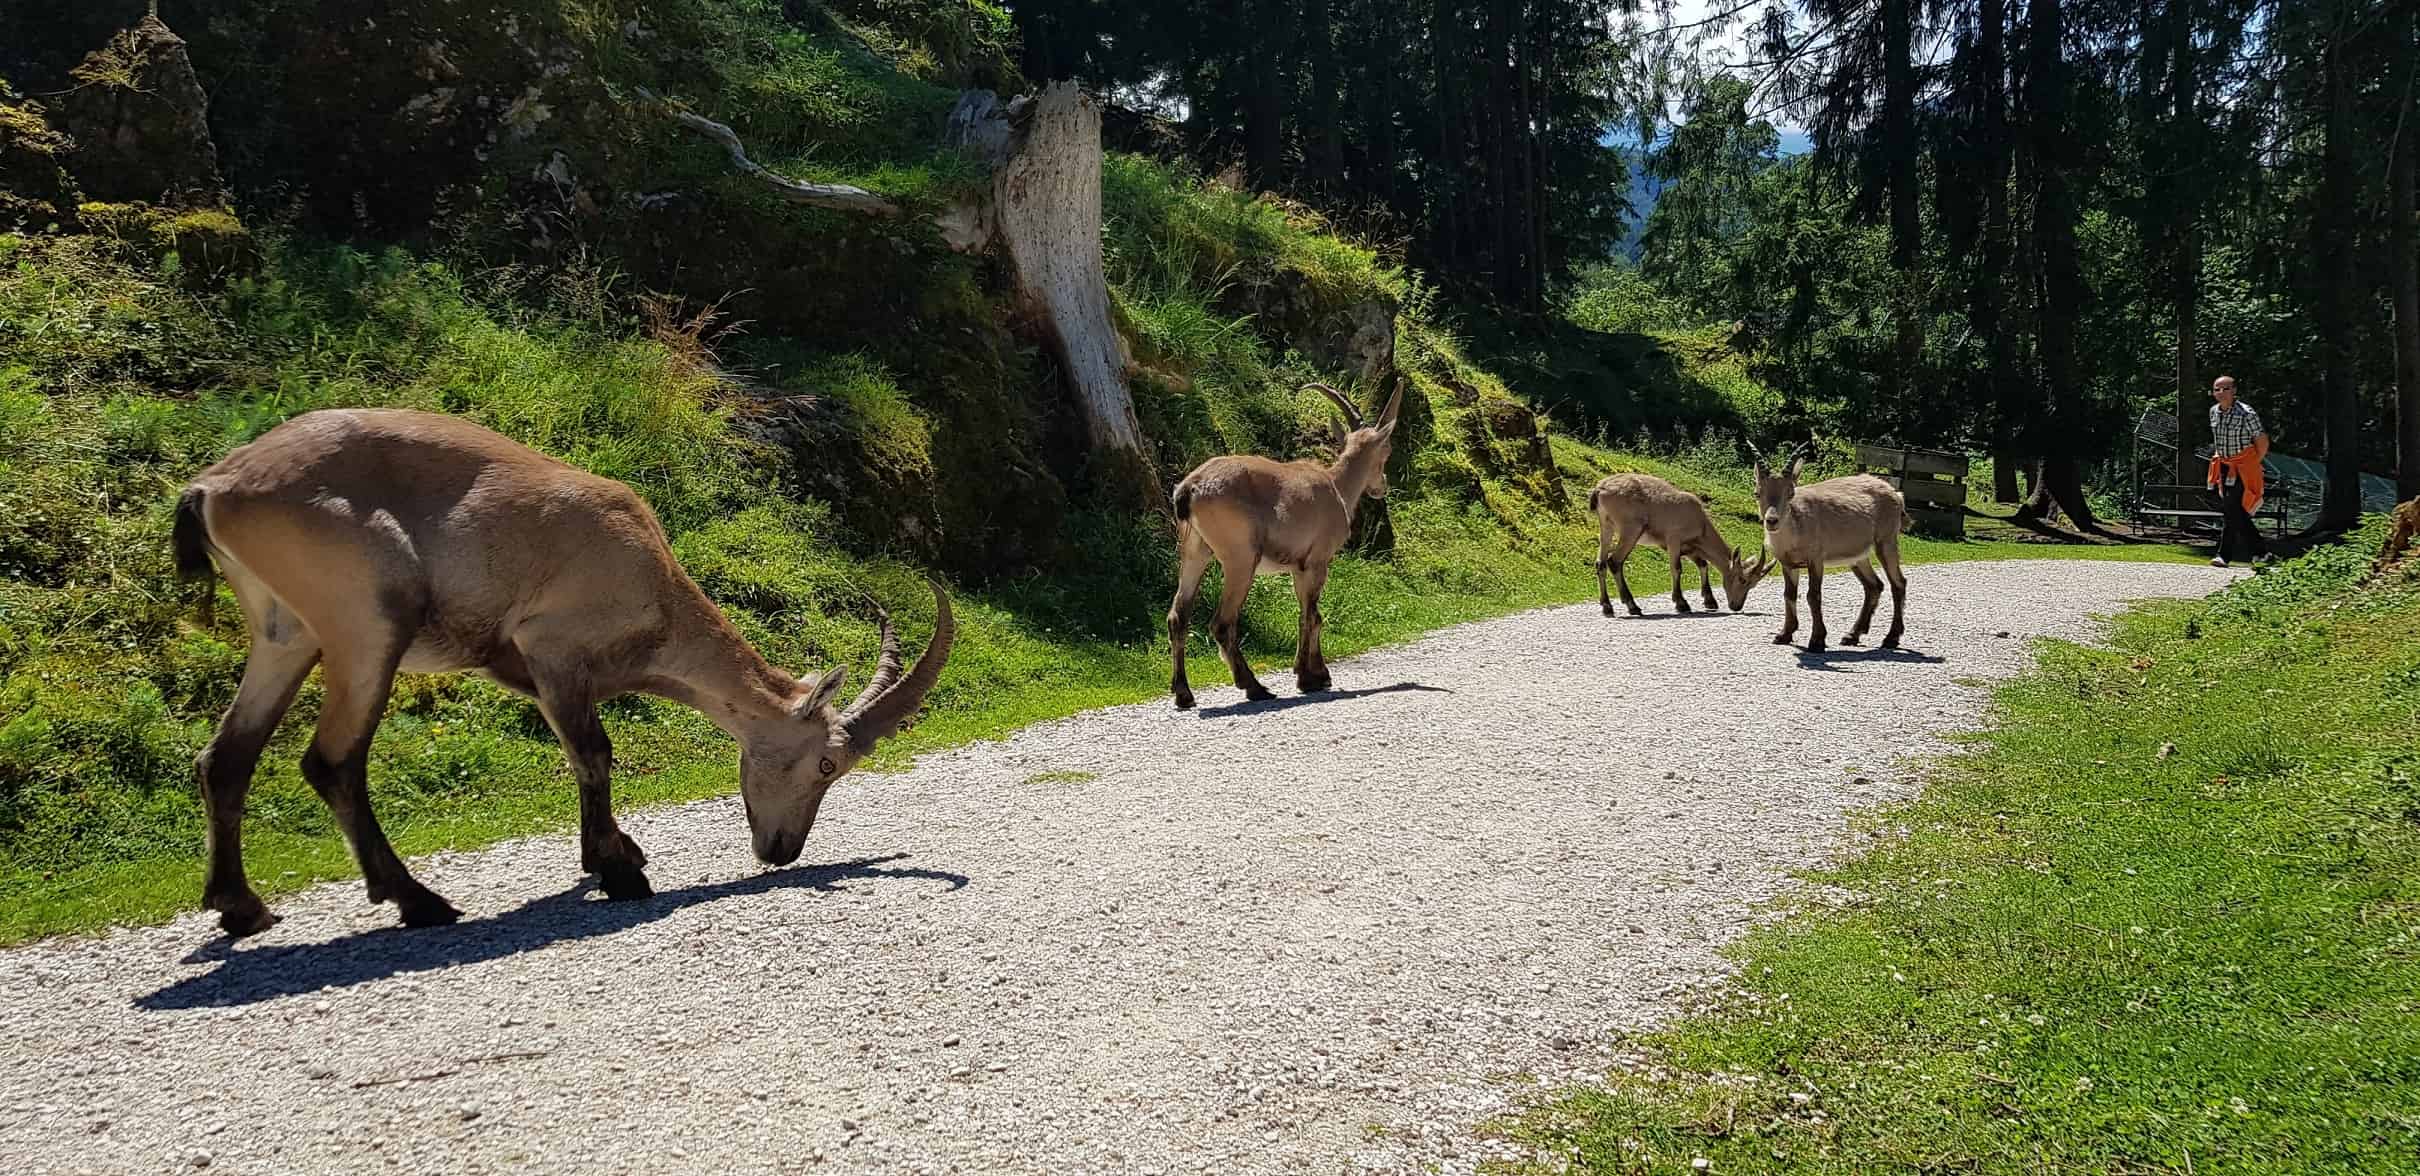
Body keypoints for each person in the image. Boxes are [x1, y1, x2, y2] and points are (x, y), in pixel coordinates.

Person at [2205, 375, 2268, 567]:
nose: (2221, 393)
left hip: (2244, 466)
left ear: (2234, 391)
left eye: (2225, 389)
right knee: (2233, 510)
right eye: (2217, 389)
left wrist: (2252, 463)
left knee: (2232, 508)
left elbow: (2262, 441)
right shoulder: (2214, 412)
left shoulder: (2246, 413)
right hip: (2224, 465)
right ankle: (2260, 551)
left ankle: (2225, 555)